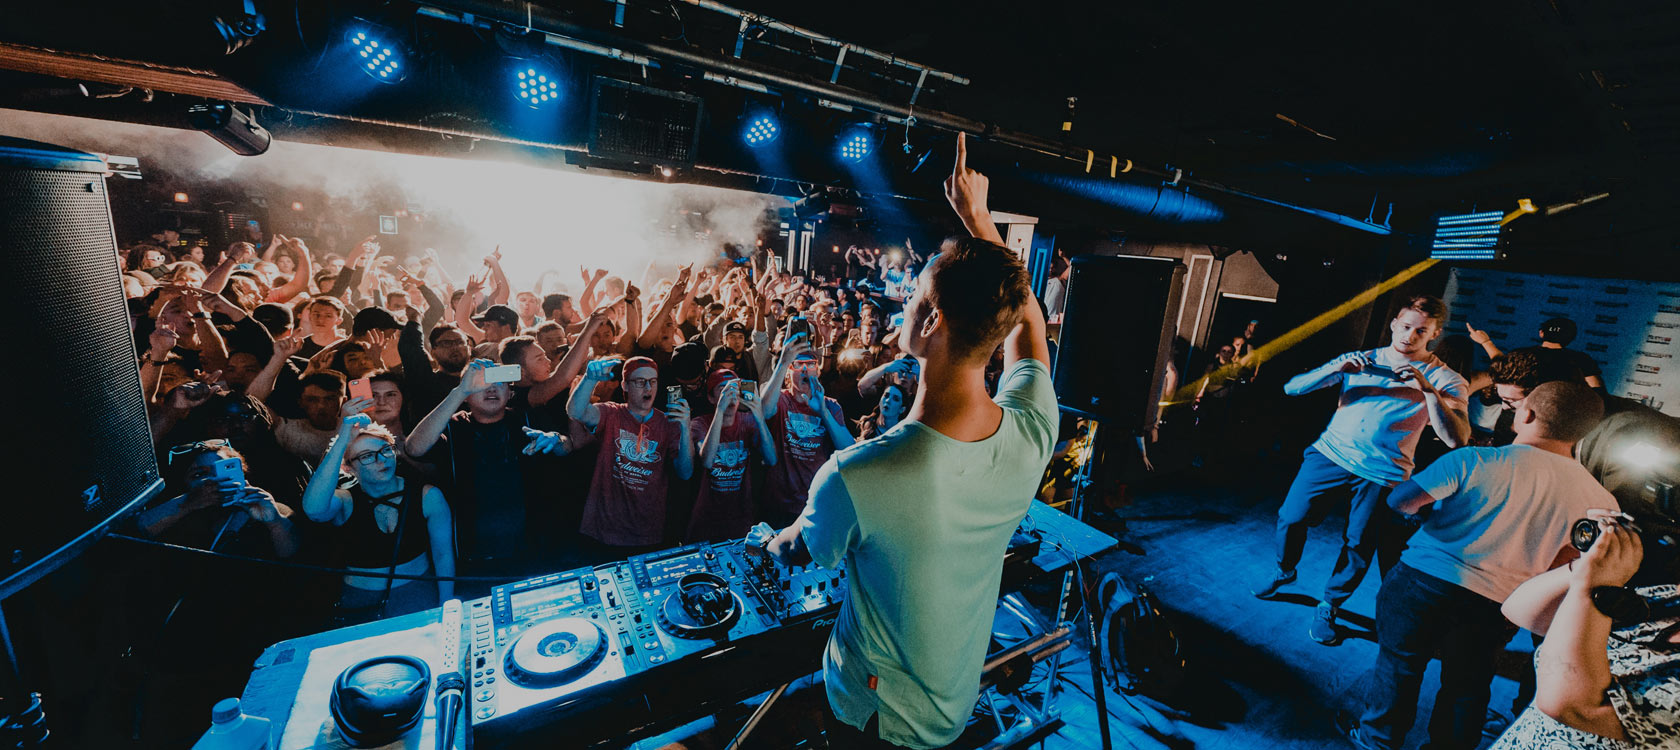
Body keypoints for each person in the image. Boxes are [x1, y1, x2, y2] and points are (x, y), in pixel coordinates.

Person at [763, 132, 1057, 749]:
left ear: (932, 320)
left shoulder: (860, 474)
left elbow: (799, 552)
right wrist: (980, 223)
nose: (903, 303)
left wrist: (774, 540)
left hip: (878, 722)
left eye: (914, 295)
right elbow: (1027, 322)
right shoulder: (1033, 430)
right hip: (952, 704)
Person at [1349, 381, 1615, 750]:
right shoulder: (1601, 502)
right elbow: (1565, 565)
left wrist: (1431, 514)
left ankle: (1377, 740)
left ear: (1526, 414)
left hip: (1423, 582)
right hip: (1500, 603)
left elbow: (1401, 502)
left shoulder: (1473, 460)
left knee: (1398, 666)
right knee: (1468, 685)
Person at [1255, 295, 1472, 644]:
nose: (1410, 336)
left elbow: (1457, 439)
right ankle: (1285, 570)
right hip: (1330, 454)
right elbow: (1291, 388)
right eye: (1405, 326)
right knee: (1291, 517)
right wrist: (1335, 370)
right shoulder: (1362, 358)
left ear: (1435, 333)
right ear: (1394, 324)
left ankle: (1330, 604)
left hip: (1384, 472)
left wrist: (1428, 390)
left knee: (1359, 544)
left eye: (1421, 331)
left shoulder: (1446, 377)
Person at [1492, 516, 1680, 749]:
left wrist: (1592, 586)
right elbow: (1520, 611)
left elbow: (1570, 707)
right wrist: (1591, 560)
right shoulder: (1669, 600)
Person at [404, 359, 574, 583]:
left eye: (499, 382)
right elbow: (414, 448)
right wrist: (460, 391)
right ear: (466, 394)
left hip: (534, 552)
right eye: (481, 383)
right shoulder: (452, 427)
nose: (491, 389)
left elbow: (567, 448)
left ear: (510, 392)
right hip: (475, 558)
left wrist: (556, 440)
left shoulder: (527, 418)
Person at [302, 415, 456, 621]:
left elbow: (443, 554)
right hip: (361, 602)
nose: (381, 460)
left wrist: (446, 604)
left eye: (385, 450)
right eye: (366, 456)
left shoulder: (427, 496)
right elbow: (314, 510)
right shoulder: (345, 501)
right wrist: (341, 442)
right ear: (348, 467)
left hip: (419, 593)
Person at [568, 356, 695, 556]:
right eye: (640, 381)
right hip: (605, 530)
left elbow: (685, 472)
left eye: (653, 381)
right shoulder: (612, 413)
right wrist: (590, 379)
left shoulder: (667, 423)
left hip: (647, 532)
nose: (648, 387)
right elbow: (575, 412)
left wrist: (685, 428)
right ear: (625, 385)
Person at [757, 335, 855, 527]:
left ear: (817, 372)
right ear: (788, 373)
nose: (804, 369)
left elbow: (848, 449)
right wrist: (783, 363)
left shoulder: (830, 406)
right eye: (798, 364)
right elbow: (765, 410)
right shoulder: (780, 399)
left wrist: (823, 412)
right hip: (779, 504)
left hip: (814, 503)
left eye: (810, 364)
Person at [687, 370, 775, 542]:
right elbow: (707, 460)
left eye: (734, 389)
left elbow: (771, 459)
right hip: (705, 520)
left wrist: (759, 416)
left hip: (740, 518)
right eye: (723, 389)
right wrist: (720, 411)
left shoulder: (748, 421)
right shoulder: (698, 424)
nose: (730, 395)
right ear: (711, 398)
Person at [1467, 316, 1606, 392]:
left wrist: (1486, 342)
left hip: (1517, 418)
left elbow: (1502, 366)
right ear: (1572, 337)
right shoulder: (1581, 359)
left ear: (1541, 333)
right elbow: (1597, 390)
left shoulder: (1521, 354)